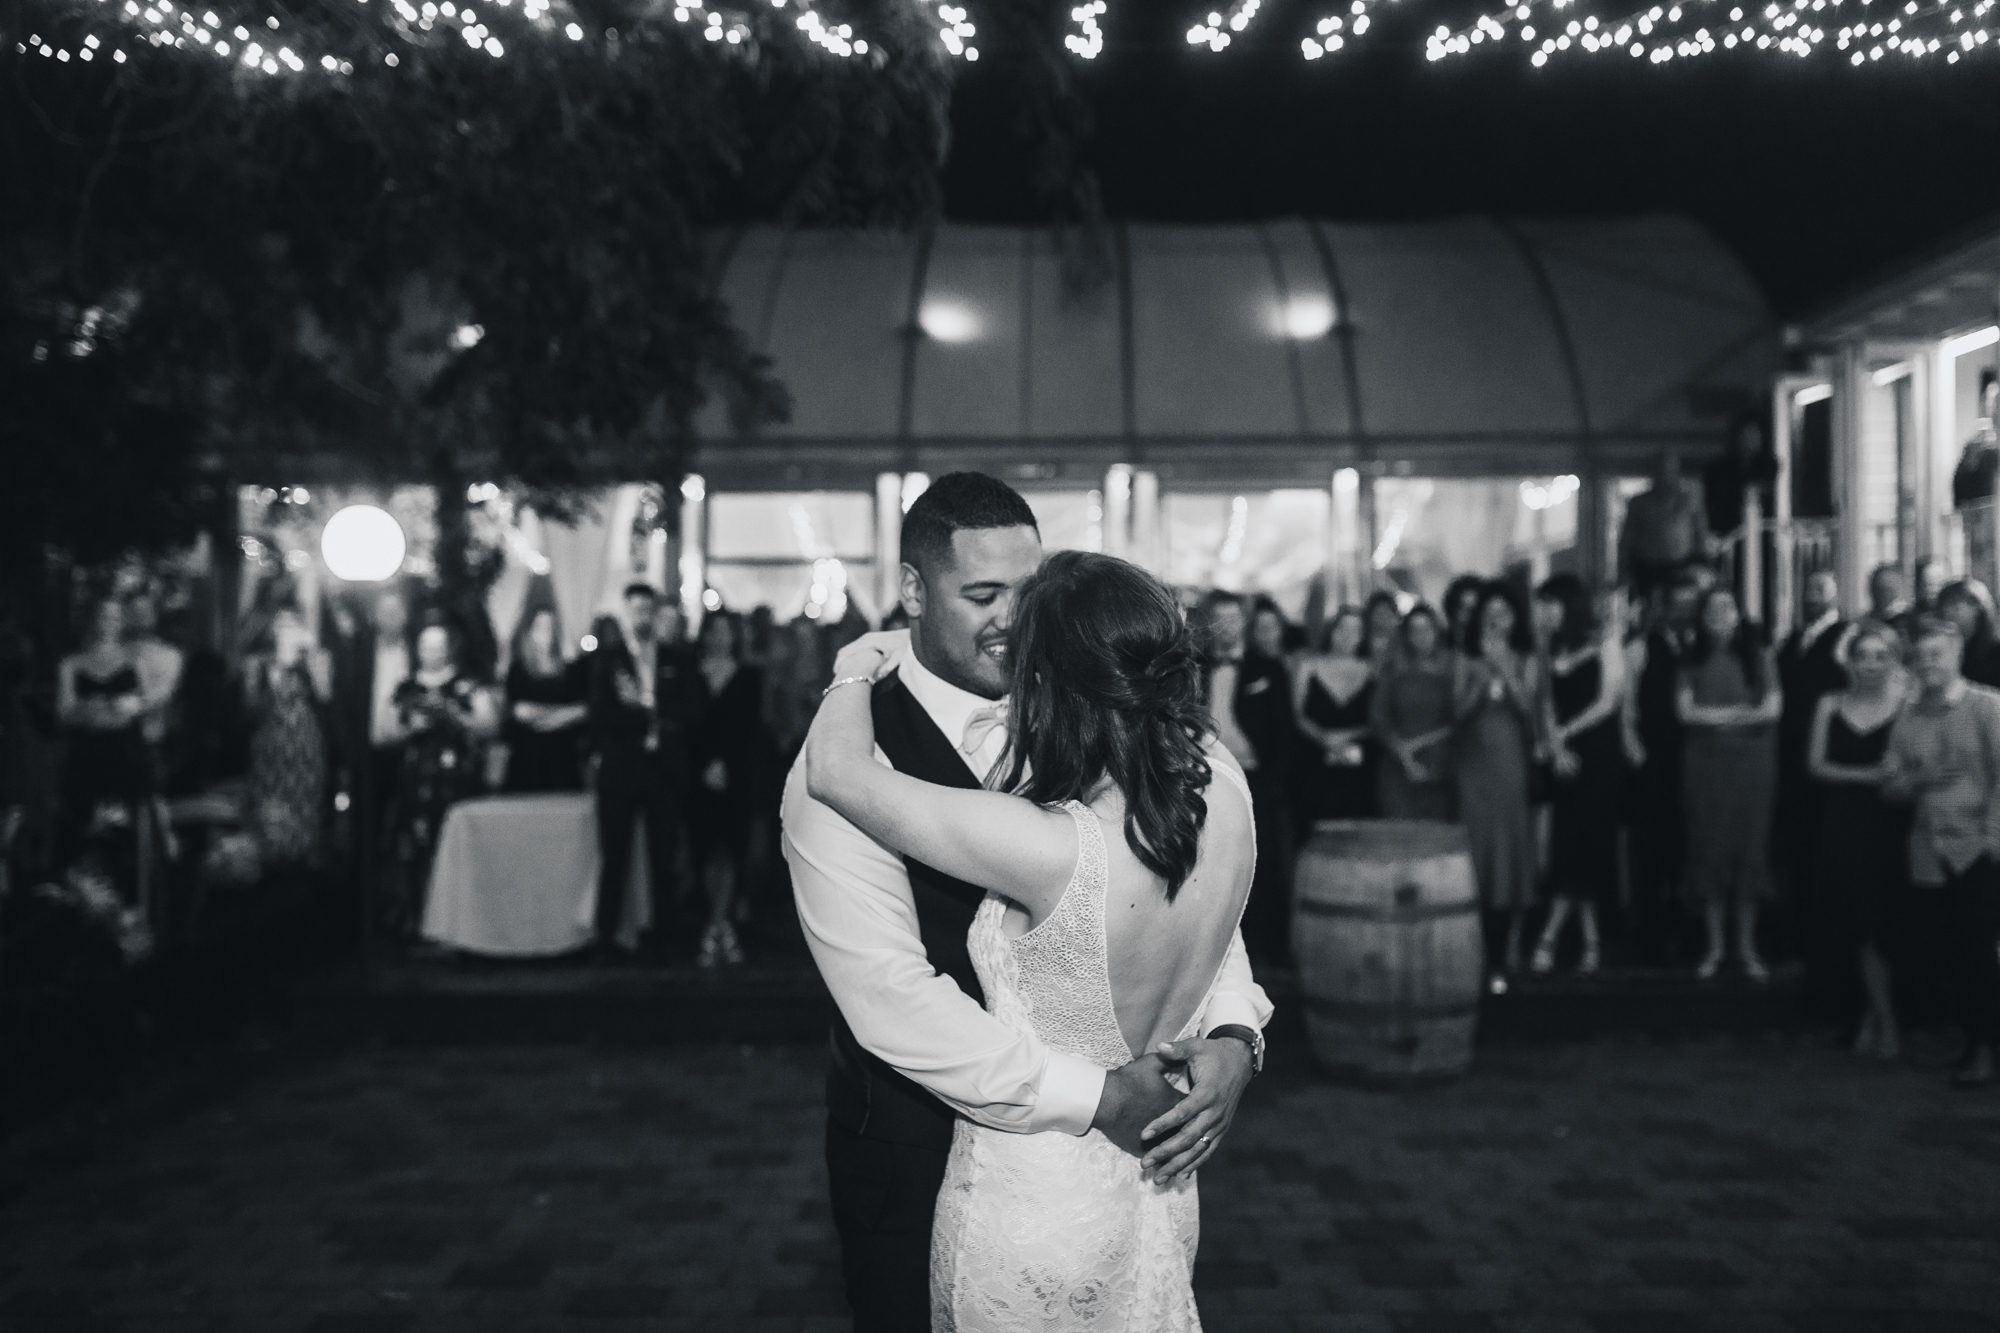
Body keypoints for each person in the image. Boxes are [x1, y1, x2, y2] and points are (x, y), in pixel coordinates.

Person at [781, 473, 1267, 1333]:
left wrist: (1232, 1032)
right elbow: (891, 995)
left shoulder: (1093, 721)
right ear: (912, 592)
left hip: (1118, 1164)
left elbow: (1189, 892)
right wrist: (1097, 1098)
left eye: (1028, 590)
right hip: (917, 1147)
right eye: (982, 593)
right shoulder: (843, 771)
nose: (1012, 618)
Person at [1883, 617, 2000, 1089]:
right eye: (1922, 656)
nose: (1929, 664)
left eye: (1938, 654)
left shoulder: (1987, 707)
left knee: (1978, 955)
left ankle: (1985, 1051)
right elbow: (1888, 785)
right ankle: (1973, 1039)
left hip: (1979, 849)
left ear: (1957, 655)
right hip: (1929, 851)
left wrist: (1993, 842)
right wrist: (1918, 780)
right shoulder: (1908, 715)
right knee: (1950, 954)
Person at [1806, 621, 1909, 1060]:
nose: (1869, 664)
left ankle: (1877, 1019)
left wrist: (1896, 774)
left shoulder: (1906, 705)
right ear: (1849, 661)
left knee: (1881, 927)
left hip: (1889, 826)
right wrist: (1865, 775)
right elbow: (1815, 765)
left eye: (1879, 656)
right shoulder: (1830, 703)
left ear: (1893, 661)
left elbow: (1910, 764)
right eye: (1862, 656)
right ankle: (1881, 1021)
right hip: (1841, 825)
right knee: (1854, 924)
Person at [1677, 586, 1782, 981]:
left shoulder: (1760, 654)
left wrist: (1717, 718)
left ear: (1739, 613)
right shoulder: (1692, 658)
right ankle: (1715, 948)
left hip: (1754, 768)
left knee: (1749, 853)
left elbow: (1772, 709)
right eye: (1711, 608)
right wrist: (1742, 714)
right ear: (1702, 616)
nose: (1719, 614)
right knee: (1710, 852)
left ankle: (1748, 948)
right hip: (1705, 767)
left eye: (1727, 607)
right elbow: (1685, 713)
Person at [587, 584, 695, 962]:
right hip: (621, 770)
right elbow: (600, 714)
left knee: (663, 857)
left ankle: (663, 937)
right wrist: (640, 712)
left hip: (662, 771)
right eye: (635, 611)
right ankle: (606, 938)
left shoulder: (674, 659)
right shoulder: (609, 660)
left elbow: (688, 710)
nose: (642, 618)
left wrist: (652, 712)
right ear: (626, 613)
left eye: (648, 610)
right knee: (613, 856)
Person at [1531, 577, 1628, 976]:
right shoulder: (1551, 649)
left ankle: (1550, 937)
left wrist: (1565, 734)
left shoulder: (1606, 642)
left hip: (1598, 754)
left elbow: (1609, 701)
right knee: (1570, 848)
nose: (1543, 613)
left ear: (1568, 605)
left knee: (1585, 846)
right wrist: (1555, 747)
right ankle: (1590, 942)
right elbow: (1546, 701)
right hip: (1565, 754)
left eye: (1549, 604)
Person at [1205, 592, 1296, 965]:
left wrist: (1275, 783)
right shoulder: (1191, 667)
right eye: (1219, 619)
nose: (1227, 626)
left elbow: (1286, 731)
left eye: (1233, 618)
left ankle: (1267, 951)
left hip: (1254, 778)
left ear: (1243, 622)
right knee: (1211, 863)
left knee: (1264, 862)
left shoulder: (1268, 668)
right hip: (1204, 779)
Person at [1454, 581, 1541, 974]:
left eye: (1504, 613)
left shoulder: (1526, 657)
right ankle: (1474, 947)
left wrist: (1504, 666)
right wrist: (1481, 674)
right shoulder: (1464, 659)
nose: (1497, 620)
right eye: (1490, 613)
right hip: (1474, 765)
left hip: (1510, 762)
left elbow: (1528, 709)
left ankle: (1512, 946)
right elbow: (1457, 713)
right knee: (1477, 847)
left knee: (1512, 847)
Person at [387, 620, 492, 930]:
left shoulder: (468, 685)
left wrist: (454, 715)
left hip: (456, 781)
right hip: (415, 781)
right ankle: (417, 920)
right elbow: (385, 730)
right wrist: (411, 727)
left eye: (437, 646)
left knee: (454, 849)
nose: (430, 653)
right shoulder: (407, 688)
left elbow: (489, 725)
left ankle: (457, 923)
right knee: (413, 853)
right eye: (425, 646)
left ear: (450, 649)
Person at [1623, 570, 1704, 965]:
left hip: (1697, 759)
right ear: (1665, 607)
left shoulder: (1701, 647)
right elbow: (1627, 706)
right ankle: (1650, 935)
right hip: (1654, 757)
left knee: (1690, 845)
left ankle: (1689, 931)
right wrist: (1636, 753)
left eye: (1692, 605)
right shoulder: (1641, 647)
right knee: (1651, 849)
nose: (1685, 611)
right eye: (1679, 604)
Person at [688, 609, 776, 967]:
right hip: (697, 776)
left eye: (727, 631)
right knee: (704, 850)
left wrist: (725, 763)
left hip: (737, 775)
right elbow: (687, 725)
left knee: (732, 850)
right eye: (715, 630)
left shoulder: (750, 676)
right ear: (705, 634)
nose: (722, 637)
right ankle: (721, 928)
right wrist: (705, 763)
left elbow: (750, 729)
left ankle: (716, 927)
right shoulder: (690, 675)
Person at [56, 595, 149, 861]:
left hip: (125, 756)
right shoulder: (72, 664)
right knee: (82, 832)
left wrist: (129, 706)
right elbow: (63, 713)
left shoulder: (134, 662)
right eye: (104, 616)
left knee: (124, 834)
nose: (109, 623)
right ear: (92, 620)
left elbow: (142, 703)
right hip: (87, 757)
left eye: (115, 617)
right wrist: (90, 710)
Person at [244, 607, 333, 867]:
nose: (287, 633)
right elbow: (250, 712)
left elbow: (327, 703)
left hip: (305, 758)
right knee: (269, 824)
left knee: (304, 826)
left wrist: (313, 665)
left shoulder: (316, 661)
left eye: (292, 626)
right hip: (270, 759)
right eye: (280, 626)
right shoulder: (259, 665)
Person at [1370, 604, 1457, 820]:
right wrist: (1403, 752)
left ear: (1437, 632)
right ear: (1406, 635)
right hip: (1396, 763)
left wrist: (1418, 744)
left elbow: (1459, 718)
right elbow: (1378, 717)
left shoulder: (1452, 668)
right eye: (1415, 630)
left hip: (1440, 762)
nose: (1422, 636)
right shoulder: (1393, 669)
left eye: (1427, 629)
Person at [1291, 606, 1375, 824]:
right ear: (1331, 631)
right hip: (1313, 761)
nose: (1348, 635)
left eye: (1356, 630)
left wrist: (1348, 736)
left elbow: (1379, 719)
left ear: (1363, 636)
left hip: (1360, 766)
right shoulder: (1308, 666)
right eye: (1342, 628)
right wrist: (1322, 737)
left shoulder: (1373, 670)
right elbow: (1296, 714)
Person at [500, 607, 589, 793]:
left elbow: (583, 710)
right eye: (541, 627)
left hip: (564, 756)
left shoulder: (571, 669)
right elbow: (521, 712)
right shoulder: (519, 670)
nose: (547, 632)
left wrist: (543, 718)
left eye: (551, 627)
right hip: (527, 758)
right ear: (530, 631)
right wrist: (562, 715)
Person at [1619, 447, 1709, 601]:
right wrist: (1623, 572)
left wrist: (1703, 567)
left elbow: (1701, 536)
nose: (1666, 475)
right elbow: (1627, 539)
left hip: (1683, 569)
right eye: (1662, 469)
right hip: (1647, 570)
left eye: (1670, 469)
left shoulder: (1690, 502)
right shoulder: (1639, 503)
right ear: (1654, 472)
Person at [1935, 579, 2000, 689]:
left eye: (1955, 606)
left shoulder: (1995, 651)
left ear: (1977, 607)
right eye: (1943, 607)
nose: (1947, 612)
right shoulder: (1947, 649)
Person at [1869, 564, 1917, 642]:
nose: (1885, 594)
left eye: (1890, 588)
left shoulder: (1914, 622)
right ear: (1872, 590)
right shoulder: (1860, 625)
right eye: (1881, 588)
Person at [1441, 574, 1486, 654]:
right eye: (1462, 608)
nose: (1468, 615)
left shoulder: (1488, 652)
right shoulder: (1440, 648)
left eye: (1473, 610)